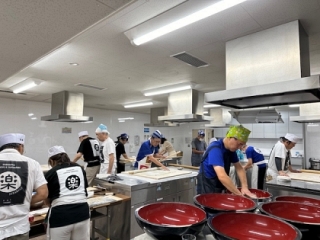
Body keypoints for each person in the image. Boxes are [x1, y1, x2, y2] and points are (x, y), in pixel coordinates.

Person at [0, 133, 48, 239]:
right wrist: (25, 201)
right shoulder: (32, 163)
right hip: (19, 227)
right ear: (20, 146)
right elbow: (43, 193)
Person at [196, 125, 256, 197]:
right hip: (207, 186)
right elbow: (222, 176)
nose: (240, 148)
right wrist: (239, 195)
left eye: (242, 145)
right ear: (231, 138)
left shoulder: (231, 150)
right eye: (239, 144)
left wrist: (245, 187)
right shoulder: (215, 149)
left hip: (218, 185)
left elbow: (240, 168)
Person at [45, 146, 90, 240]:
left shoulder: (51, 173)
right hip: (83, 213)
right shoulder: (80, 168)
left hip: (61, 216)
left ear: (51, 161)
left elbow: (47, 200)